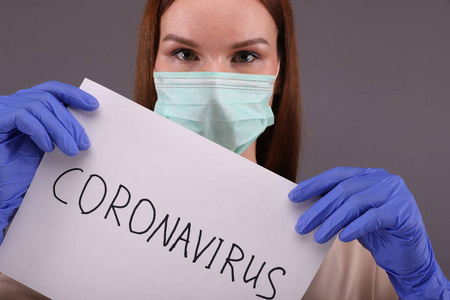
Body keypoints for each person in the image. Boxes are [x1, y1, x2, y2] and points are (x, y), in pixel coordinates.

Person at [0, 0, 448, 299]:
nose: (213, 84)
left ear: (279, 78)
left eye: (245, 56)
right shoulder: (53, 225)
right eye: (185, 54)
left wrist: (424, 286)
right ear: (153, 65)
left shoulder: (356, 256)